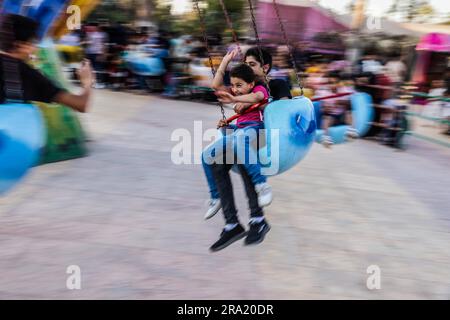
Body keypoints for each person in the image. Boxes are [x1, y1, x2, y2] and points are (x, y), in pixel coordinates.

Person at [205, 47, 291, 252]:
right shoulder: (242, 86)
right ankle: (232, 224)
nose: (247, 67)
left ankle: (257, 219)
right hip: (242, 132)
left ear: (265, 67)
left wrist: (257, 105)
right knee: (216, 163)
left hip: (263, 135)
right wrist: (225, 61)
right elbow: (217, 86)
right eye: (246, 64)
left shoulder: (275, 85)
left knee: (245, 164)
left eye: (252, 64)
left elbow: (284, 110)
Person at [0, 14, 93, 113]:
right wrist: (87, 82)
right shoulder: (28, 75)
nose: (35, 49)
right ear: (20, 45)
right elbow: (81, 104)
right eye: (32, 43)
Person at [316, 72, 358, 147]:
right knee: (326, 117)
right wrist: (326, 108)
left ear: (339, 83)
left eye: (335, 82)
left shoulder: (344, 90)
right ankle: (326, 137)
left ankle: (351, 130)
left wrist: (340, 102)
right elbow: (323, 109)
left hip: (342, 115)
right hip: (332, 116)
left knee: (348, 111)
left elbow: (349, 103)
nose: (333, 85)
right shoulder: (324, 92)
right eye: (331, 83)